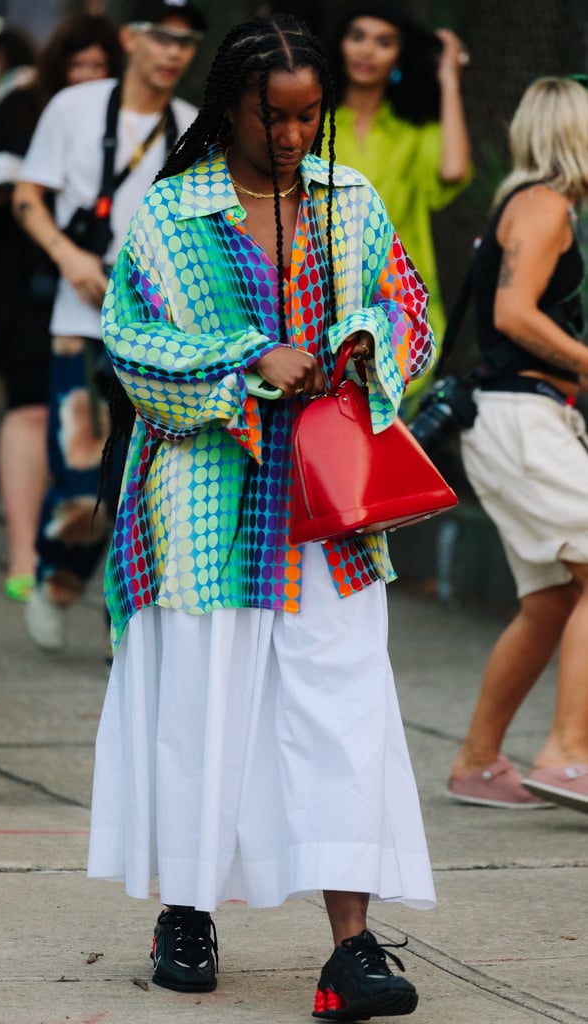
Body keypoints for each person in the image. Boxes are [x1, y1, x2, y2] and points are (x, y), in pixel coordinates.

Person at [88, 14, 436, 1020]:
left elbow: (403, 306)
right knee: (203, 714)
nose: (289, 136)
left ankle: (350, 945)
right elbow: (128, 344)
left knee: (343, 710)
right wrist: (243, 361)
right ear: (229, 103)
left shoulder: (350, 200)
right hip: (199, 507)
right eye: (267, 114)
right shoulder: (170, 212)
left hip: (328, 507)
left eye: (305, 116)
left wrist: (367, 342)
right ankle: (187, 910)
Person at [12, 0, 204, 649]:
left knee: (141, 477)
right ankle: (57, 579)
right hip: (80, 319)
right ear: (130, 38)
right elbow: (27, 196)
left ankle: (123, 617)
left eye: (184, 40)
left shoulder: (194, 126)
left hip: (158, 333)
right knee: (78, 470)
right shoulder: (76, 107)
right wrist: (68, 257)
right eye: (160, 37)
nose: (171, 51)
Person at [447, 77, 588, 814]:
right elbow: (512, 311)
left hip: (514, 420)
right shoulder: (545, 203)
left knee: (550, 601)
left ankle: (477, 763)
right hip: (520, 417)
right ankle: (567, 756)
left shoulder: (528, 201)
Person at [0, 13, 125, 603]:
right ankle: (25, 552)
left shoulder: (139, 120)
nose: (89, 78)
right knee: (28, 410)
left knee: (97, 441)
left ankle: (80, 560)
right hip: (26, 283)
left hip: (102, 294)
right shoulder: (26, 107)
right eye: (78, 66)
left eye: (101, 67)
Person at [327, 0, 471, 420]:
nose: (367, 51)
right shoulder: (314, 121)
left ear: (399, 56)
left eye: (384, 42)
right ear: (340, 45)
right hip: (322, 304)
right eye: (358, 37)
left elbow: (454, 168)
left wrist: (449, 78)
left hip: (400, 312)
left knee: (385, 459)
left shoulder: (413, 131)